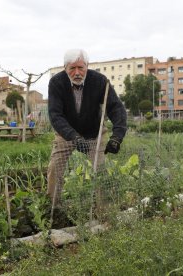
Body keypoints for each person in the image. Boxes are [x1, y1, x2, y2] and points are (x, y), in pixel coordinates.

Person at [47, 49, 127, 206]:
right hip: (66, 134)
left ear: (87, 66)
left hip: (93, 134)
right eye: (72, 68)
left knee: (100, 170)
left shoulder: (100, 81)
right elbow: (55, 115)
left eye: (81, 67)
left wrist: (117, 136)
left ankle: (103, 211)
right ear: (65, 68)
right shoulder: (57, 83)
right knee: (54, 168)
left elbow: (116, 108)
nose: (77, 72)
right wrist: (74, 137)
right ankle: (52, 207)